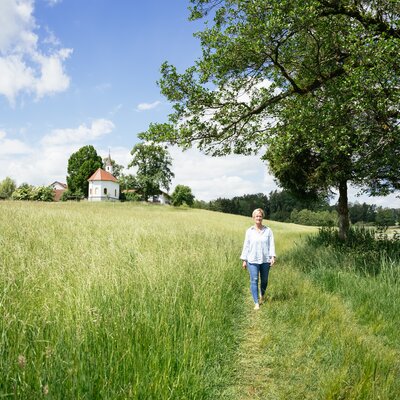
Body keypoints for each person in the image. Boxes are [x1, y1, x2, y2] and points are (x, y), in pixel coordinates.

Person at [240, 208, 276, 310]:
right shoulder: (249, 231)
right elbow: (246, 245)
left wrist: (272, 256)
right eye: (256, 216)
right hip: (252, 259)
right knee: (254, 280)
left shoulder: (268, 231)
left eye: (260, 216)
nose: (258, 218)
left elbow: (271, 244)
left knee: (264, 280)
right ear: (253, 218)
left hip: (265, 260)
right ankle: (256, 302)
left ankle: (262, 295)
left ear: (262, 217)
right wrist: (244, 260)